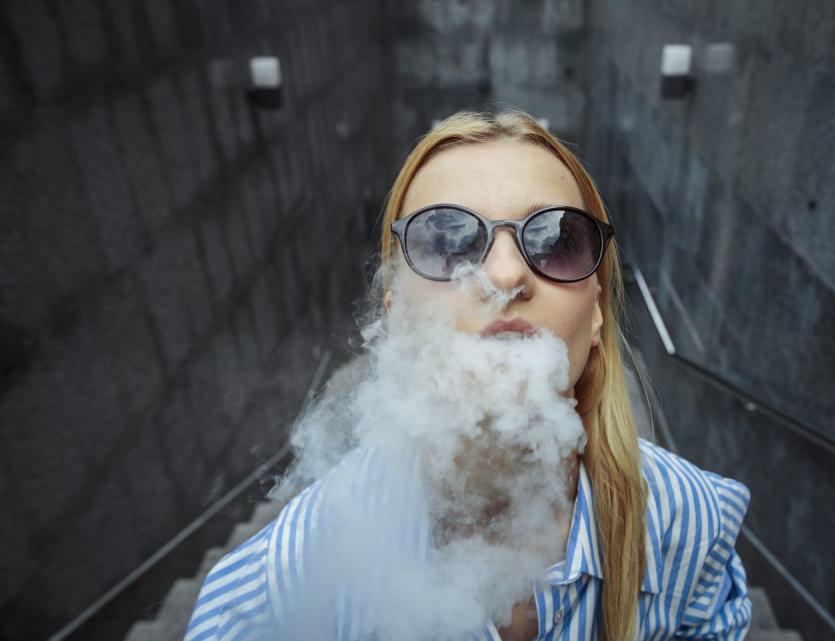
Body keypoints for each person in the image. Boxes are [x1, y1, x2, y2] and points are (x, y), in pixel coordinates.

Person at [184, 109, 752, 641]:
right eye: (446, 240)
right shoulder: (275, 591)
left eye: (557, 240)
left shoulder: (690, 528)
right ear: (395, 317)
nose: (505, 274)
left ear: (597, 311)